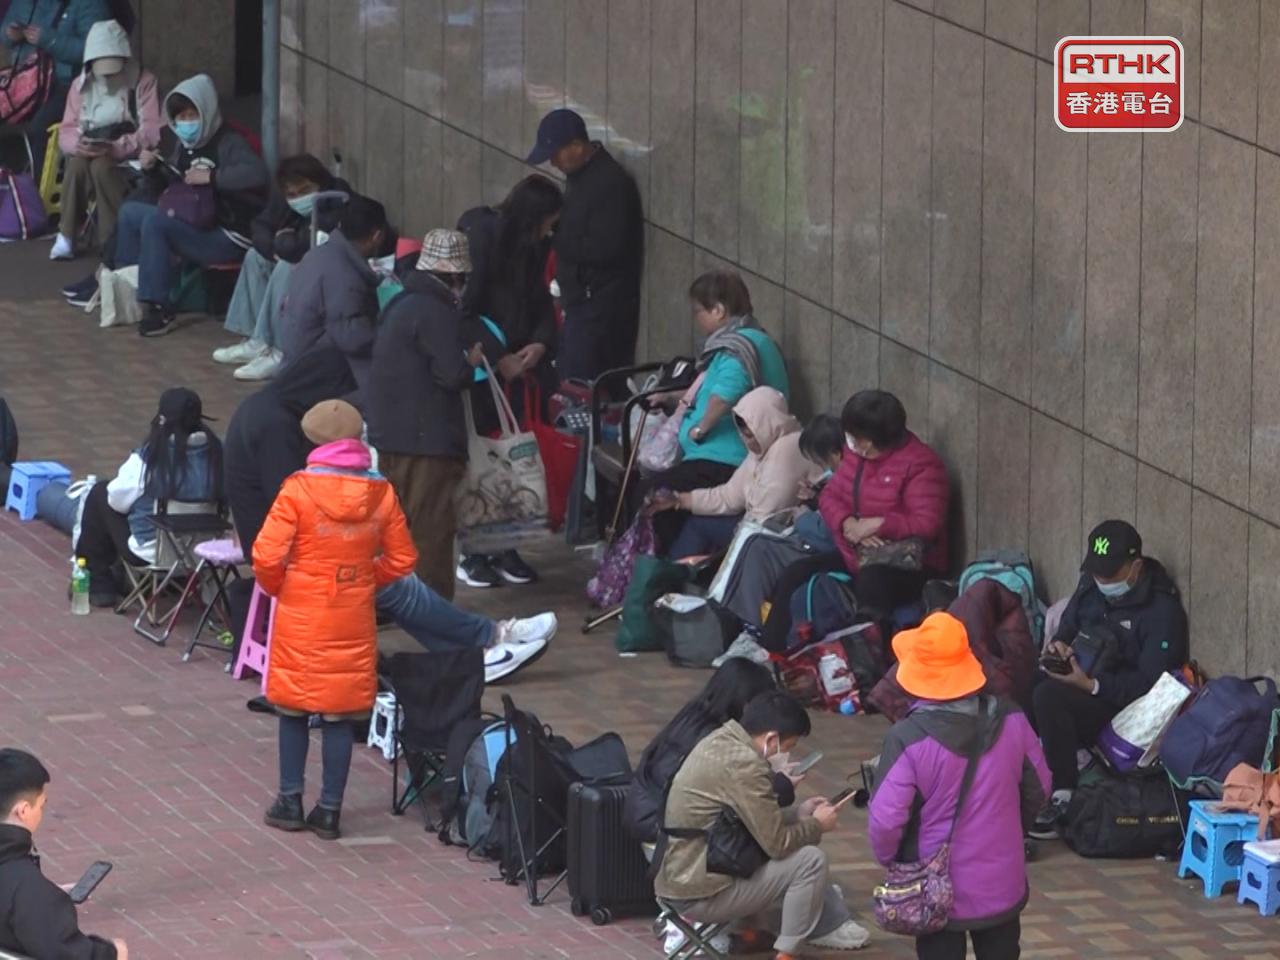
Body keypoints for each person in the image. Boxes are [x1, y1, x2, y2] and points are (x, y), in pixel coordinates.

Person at [223, 349, 554, 685]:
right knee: (398, 587)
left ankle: (481, 645)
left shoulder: (262, 409)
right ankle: (485, 641)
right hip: (289, 557)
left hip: (281, 548)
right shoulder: (275, 425)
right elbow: (299, 505)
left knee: (395, 579)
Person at [254, 401, 418, 841]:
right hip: (352, 613)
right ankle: (329, 810)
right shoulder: (380, 492)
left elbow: (266, 555)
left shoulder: (298, 490)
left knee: (292, 705)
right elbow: (403, 558)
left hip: (301, 612)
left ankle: (289, 800)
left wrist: (280, 586)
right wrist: (364, 579)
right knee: (338, 713)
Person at [869, 612, 1050, 960]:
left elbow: (885, 822)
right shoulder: (1012, 718)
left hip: (935, 889)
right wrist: (1012, 831)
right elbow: (1039, 788)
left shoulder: (908, 738)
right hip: (1002, 880)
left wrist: (891, 859)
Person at [655, 691, 870, 957]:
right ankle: (786, 955)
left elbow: (753, 820)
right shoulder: (746, 766)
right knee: (810, 861)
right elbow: (777, 845)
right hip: (700, 891)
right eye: (788, 747)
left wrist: (798, 814)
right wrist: (817, 825)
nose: (786, 755)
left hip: (682, 874)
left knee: (790, 855)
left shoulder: (721, 741)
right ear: (771, 739)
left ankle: (752, 932)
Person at [1028, 520, 1189, 839]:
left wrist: (1091, 686)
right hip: (1082, 677)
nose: (1102, 580)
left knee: (1048, 697)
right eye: (1097, 571)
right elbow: (1067, 628)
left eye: (1110, 573)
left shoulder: (1162, 612)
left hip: (1121, 705)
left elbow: (1151, 686)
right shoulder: (1090, 586)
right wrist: (1058, 648)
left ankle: (1064, 791)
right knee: (1028, 683)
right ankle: (1028, 775)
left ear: (1136, 567)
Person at [454, 173, 563, 589]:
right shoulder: (485, 240)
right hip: (486, 369)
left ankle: (508, 545)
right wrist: (499, 360)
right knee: (482, 459)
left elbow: (539, 303)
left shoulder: (535, 247)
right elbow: (464, 311)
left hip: (520, 367)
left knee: (514, 456)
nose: (551, 231)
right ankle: (475, 551)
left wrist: (538, 344)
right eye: (548, 222)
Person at [367, 228, 480, 600]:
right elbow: (453, 374)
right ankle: (433, 612)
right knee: (431, 531)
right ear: (455, 277)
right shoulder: (436, 312)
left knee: (396, 527)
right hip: (425, 440)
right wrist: (472, 361)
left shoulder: (401, 303)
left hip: (391, 434)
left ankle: (394, 601)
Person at [643, 270, 789, 554]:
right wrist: (674, 398)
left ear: (719, 310)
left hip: (723, 458)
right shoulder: (747, 341)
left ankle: (658, 568)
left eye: (699, 311)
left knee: (653, 497)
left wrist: (701, 429)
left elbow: (728, 391)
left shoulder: (739, 345)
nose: (696, 319)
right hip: (715, 456)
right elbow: (714, 388)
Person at [112, 73, 268, 337]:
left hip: (227, 233)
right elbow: (174, 185)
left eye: (192, 116)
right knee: (130, 213)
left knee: (156, 223)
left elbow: (257, 174)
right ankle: (126, 290)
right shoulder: (184, 146)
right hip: (194, 220)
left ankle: (159, 306)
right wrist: (152, 169)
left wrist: (213, 177)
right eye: (181, 118)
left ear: (206, 112)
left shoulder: (229, 142)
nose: (186, 123)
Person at [75, 387, 222, 608]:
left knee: (100, 493)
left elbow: (116, 500)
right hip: (203, 553)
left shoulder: (150, 458)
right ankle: (178, 581)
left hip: (154, 553)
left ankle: (99, 585)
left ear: (162, 419)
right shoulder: (219, 454)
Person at [525, 108, 643, 381]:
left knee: (580, 385)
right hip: (579, 301)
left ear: (577, 147)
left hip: (598, 309)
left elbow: (608, 248)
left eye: (555, 155)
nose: (553, 163)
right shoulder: (579, 177)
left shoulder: (610, 184)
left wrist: (555, 237)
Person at [213, 153, 353, 381]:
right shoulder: (287, 201)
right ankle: (256, 340)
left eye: (305, 190)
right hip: (293, 252)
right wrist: (273, 248)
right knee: (254, 256)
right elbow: (260, 225)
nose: (298, 198)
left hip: (324, 267)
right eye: (292, 194)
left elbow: (303, 245)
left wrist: (285, 245)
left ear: (319, 182)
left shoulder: (335, 199)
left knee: (287, 267)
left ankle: (279, 350)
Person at [649, 386, 821, 560]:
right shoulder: (763, 447)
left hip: (777, 540)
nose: (748, 442)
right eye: (744, 435)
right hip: (756, 531)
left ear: (767, 424)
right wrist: (680, 500)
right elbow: (728, 497)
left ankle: (670, 577)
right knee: (696, 524)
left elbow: (764, 521)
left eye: (751, 435)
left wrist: (715, 558)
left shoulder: (787, 449)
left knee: (702, 533)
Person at [819, 389, 949, 618]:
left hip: (909, 564)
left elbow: (928, 523)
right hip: (857, 550)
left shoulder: (921, 464)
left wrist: (878, 525)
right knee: (797, 572)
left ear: (869, 441)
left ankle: (866, 648)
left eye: (854, 436)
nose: (848, 441)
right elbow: (829, 496)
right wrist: (847, 522)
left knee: (872, 585)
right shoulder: (856, 456)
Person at [0, 748, 127, 960]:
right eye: (41, 805)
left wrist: (45, 894)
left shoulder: (27, 891)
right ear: (22, 811)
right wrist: (113, 953)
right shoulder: (28, 891)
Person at [50, 18, 159, 260]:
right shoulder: (80, 86)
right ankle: (67, 235)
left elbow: (151, 132)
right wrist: (78, 145)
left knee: (102, 167)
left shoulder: (144, 82)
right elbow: (67, 130)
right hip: (89, 147)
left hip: (127, 155)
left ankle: (110, 239)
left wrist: (117, 148)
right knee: (77, 165)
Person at [277, 195, 386, 398]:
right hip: (315, 372)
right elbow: (353, 339)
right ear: (377, 236)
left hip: (297, 357)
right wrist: (388, 330)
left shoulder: (318, 255)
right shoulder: (345, 276)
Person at [0, 0, 108, 181]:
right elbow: (4, 32)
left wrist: (51, 40)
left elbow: (95, 49)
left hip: (67, 86)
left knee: (39, 127)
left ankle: (31, 197)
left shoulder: (91, 4)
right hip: (23, 82)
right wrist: (9, 34)